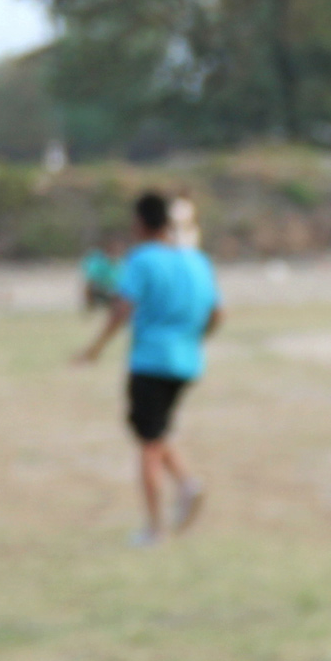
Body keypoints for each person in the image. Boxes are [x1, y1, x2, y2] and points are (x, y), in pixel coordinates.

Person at [73, 190, 223, 545]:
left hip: (152, 362)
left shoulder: (142, 260)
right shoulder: (196, 261)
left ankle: (155, 528)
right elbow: (217, 314)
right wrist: (193, 340)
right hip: (187, 363)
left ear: (139, 223)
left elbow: (121, 309)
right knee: (153, 434)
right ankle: (187, 485)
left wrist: (94, 349)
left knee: (148, 447)